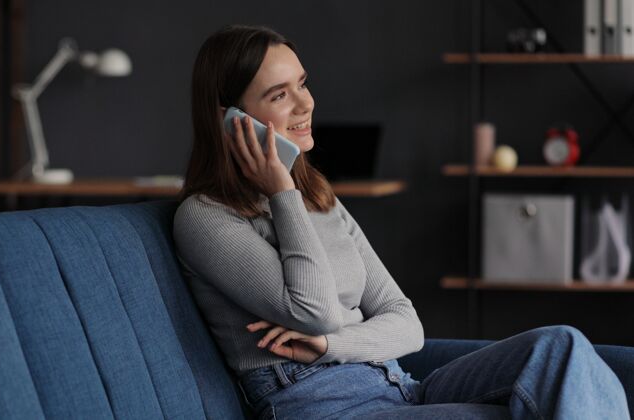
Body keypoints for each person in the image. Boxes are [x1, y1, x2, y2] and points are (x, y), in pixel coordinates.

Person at [172, 24, 629, 419]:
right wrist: (281, 193)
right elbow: (314, 312)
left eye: (302, 84)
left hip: (396, 385)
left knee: (561, 345)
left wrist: (333, 346)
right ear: (230, 120)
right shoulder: (206, 217)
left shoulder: (318, 197)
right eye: (279, 94)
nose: (305, 104)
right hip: (321, 406)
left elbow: (407, 324)